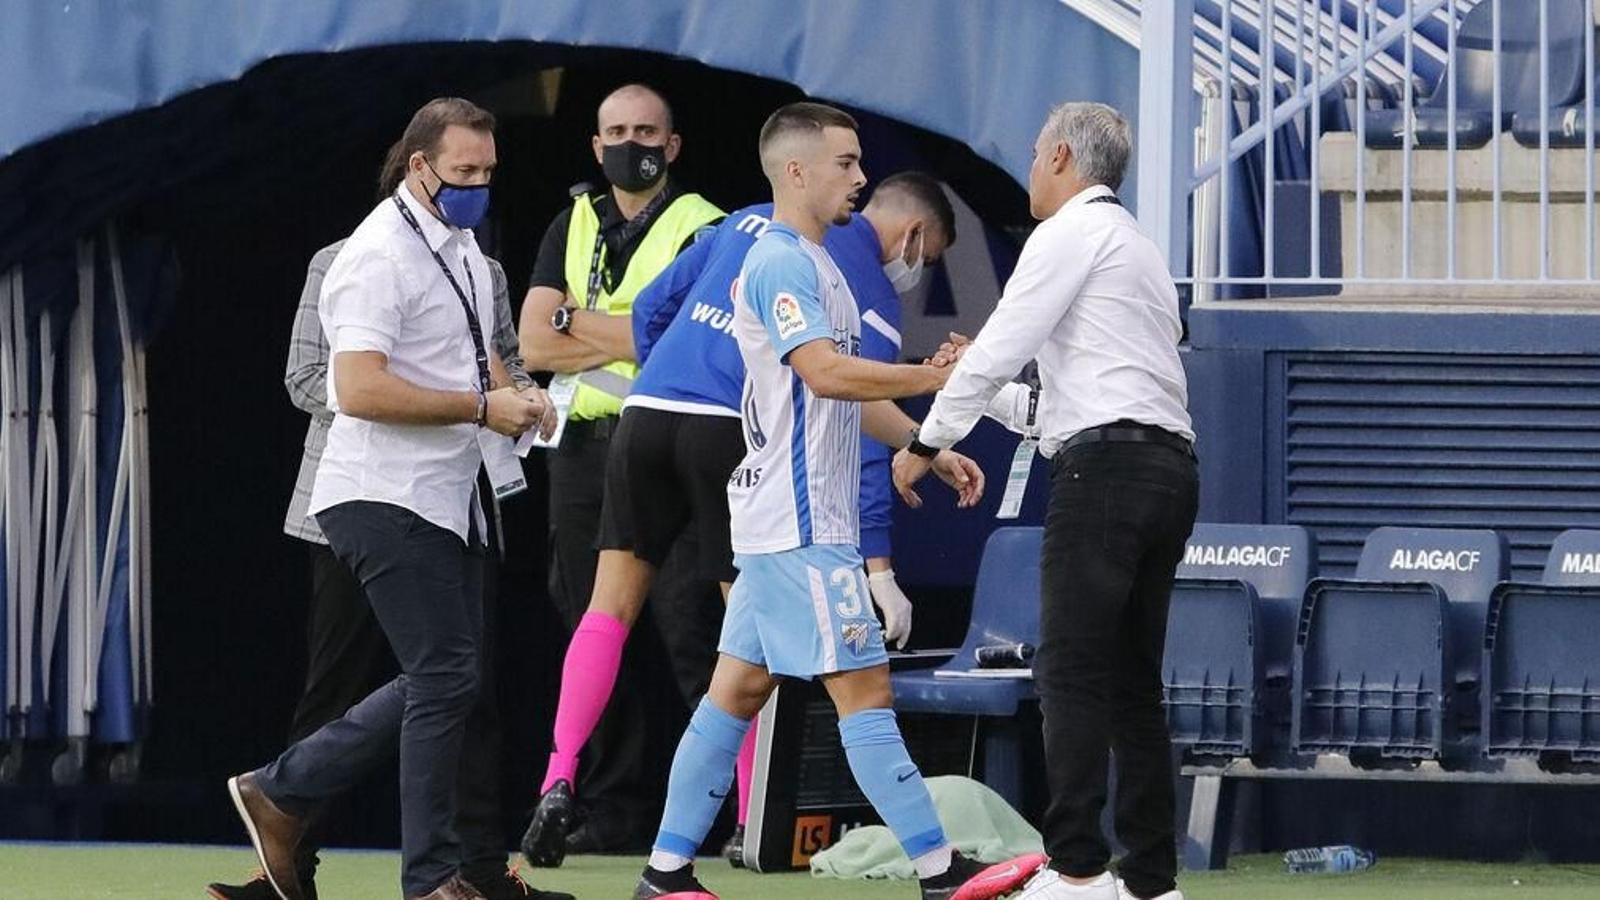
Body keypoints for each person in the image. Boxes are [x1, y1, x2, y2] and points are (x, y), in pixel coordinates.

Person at [630, 101, 1041, 900]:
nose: (860, 178)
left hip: (779, 523)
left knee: (735, 694)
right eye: (846, 163)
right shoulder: (783, 262)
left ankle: (664, 875)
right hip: (801, 525)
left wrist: (928, 443)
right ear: (796, 171)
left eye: (858, 163)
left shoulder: (821, 267)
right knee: (867, 693)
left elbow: (841, 396)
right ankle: (938, 872)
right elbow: (824, 373)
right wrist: (933, 375)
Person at [519, 172, 956, 869]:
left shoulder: (737, 221)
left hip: (646, 413)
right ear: (913, 237)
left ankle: (564, 779)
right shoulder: (845, 273)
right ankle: (757, 821)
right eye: (845, 165)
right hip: (736, 445)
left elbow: (652, 312)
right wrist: (880, 559)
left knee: (620, 619)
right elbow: (841, 391)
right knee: (762, 657)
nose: (854, 180)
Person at [224, 97, 564, 900]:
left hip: (444, 495)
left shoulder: (465, 255)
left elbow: (480, 369)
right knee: (443, 675)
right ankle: (424, 874)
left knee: (446, 676)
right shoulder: (379, 253)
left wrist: (522, 399)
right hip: (377, 490)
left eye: (488, 172)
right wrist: (484, 407)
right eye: (464, 172)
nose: (480, 186)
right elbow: (356, 387)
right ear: (420, 166)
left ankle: (282, 793)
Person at [893, 102, 1198, 900]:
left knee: (1068, 669)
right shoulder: (1137, 248)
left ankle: (1076, 868)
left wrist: (927, 441)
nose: (1030, 168)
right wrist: (981, 394)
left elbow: (1000, 351)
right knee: (1134, 682)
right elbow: (1066, 407)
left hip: (1104, 476)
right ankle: (1151, 881)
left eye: (1033, 153)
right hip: (1167, 470)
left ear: (1061, 156)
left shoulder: (1066, 234)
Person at [518, 83, 725, 855]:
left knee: (690, 625)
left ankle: (727, 810)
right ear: (594, 144)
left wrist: (576, 319)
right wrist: (625, 333)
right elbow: (533, 346)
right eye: (614, 131)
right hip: (581, 452)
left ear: (672, 146)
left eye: (645, 131)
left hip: (672, 445)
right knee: (588, 625)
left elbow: (683, 344)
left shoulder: (704, 226)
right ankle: (604, 807)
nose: (628, 142)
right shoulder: (569, 222)